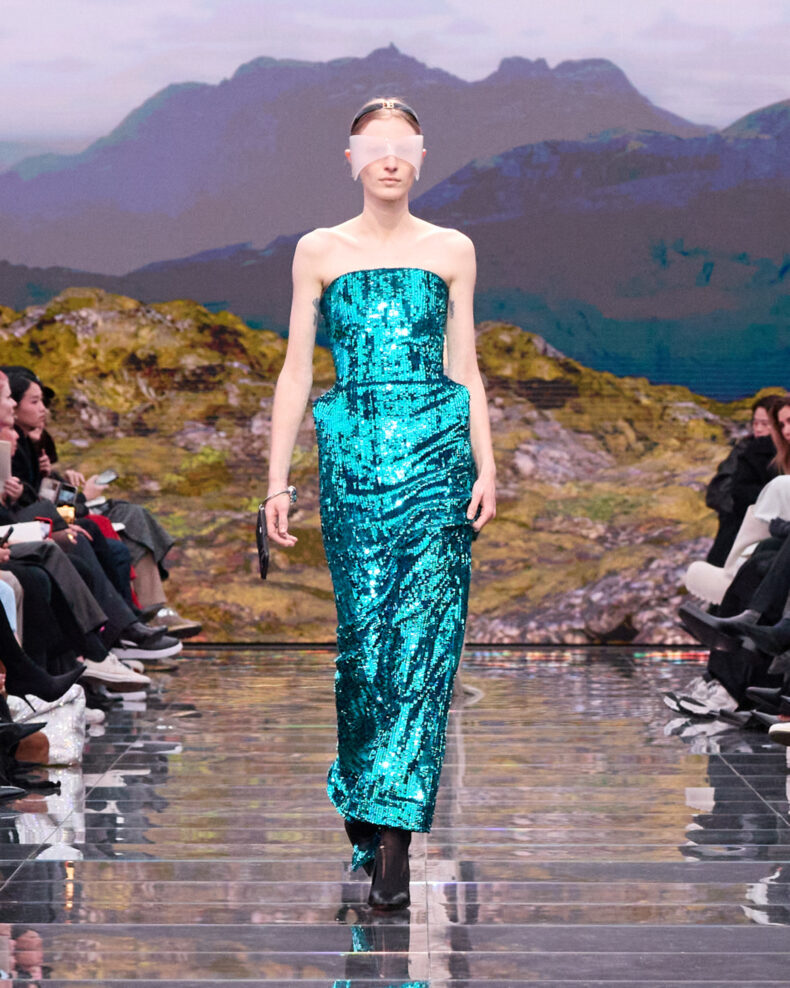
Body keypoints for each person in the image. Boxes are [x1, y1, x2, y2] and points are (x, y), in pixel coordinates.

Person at [265, 98, 496, 910]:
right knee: (365, 651)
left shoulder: (452, 249)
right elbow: (297, 370)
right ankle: (368, 805)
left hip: (437, 464)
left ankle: (395, 840)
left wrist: (486, 466)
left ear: (422, 156)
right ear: (352, 158)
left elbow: (465, 367)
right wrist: (277, 480)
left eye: (404, 144)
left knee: (424, 647)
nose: (390, 158)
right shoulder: (319, 251)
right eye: (375, 145)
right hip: (354, 466)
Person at [705, 396, 779, 565]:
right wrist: (748, 507)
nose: (758, 429)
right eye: (755, 423)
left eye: (765, 424)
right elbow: (717, 494)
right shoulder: (744, 450)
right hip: (735, 532)